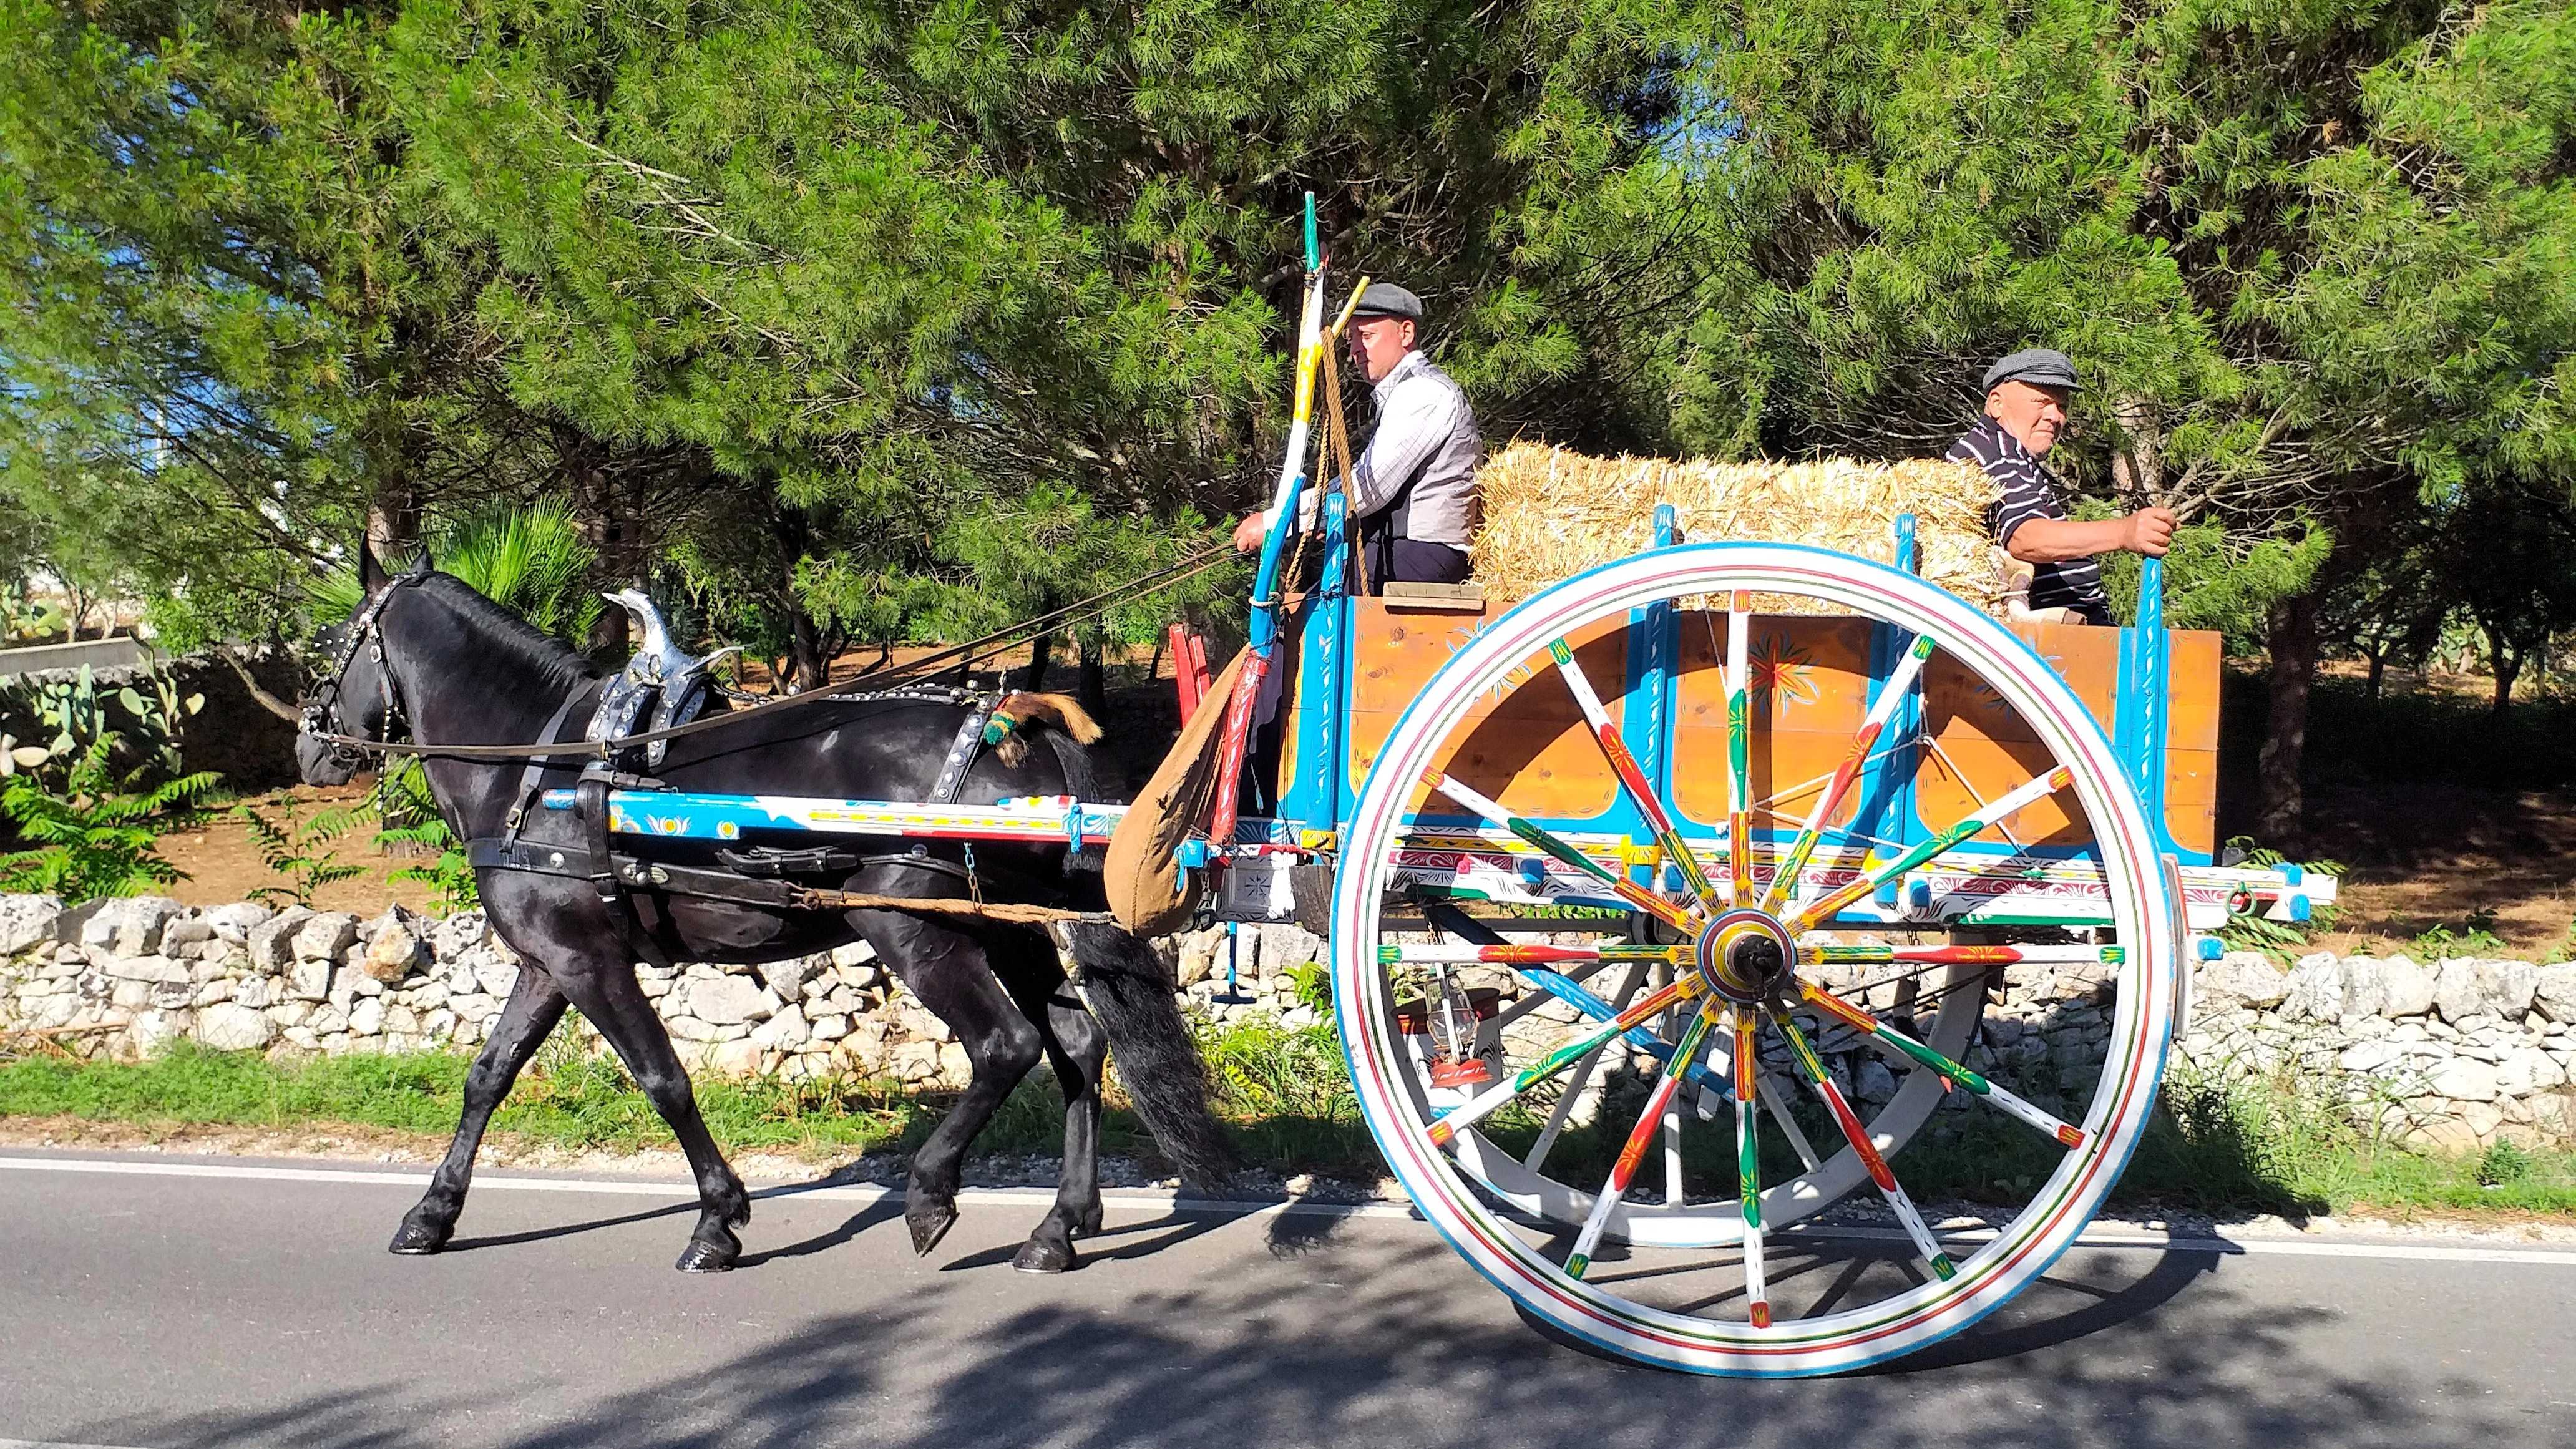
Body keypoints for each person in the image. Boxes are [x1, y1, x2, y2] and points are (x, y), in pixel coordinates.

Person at [1230, 281, 1482, 588]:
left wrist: (1278, 521)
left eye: (1367, 336)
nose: (1355, 351)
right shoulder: (1405, 394)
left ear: (1406, 333)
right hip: (1399, 550)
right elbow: (1355, 484)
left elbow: (1366, 489)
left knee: (1305, 625)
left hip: (1421, 554)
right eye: (1352, 339)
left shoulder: (1424, 393)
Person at [1949, 348, 2174, 626]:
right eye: (2041, 402)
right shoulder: (1994, 452)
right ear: (1996, 404)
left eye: (2062, 407)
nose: (2055, 417)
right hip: (2051, 639)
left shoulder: (2007, 453)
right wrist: (2123, 532)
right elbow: (2025, 538)